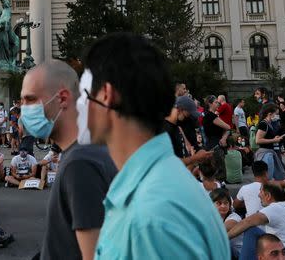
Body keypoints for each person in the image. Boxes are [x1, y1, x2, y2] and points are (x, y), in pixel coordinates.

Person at [81, 32, 229, 260]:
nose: (77, 106)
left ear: (106, 96)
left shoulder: (150, 216)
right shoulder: (158, 186)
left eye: (83, 94)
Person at [20, 59, 118, 259]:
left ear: (62, 98)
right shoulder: (88, 151)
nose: (24, 111)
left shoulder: (80, 164)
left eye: (30, 100)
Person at [227, 182, 285, 260]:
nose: (258, 195)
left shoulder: (275, 208)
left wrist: (224, 238)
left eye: (260, 192)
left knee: (250, 230)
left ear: (268, 196)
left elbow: (247, 222)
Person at [254, 103, 285, 181]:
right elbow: (258, 140)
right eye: (276, 114)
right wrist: (274, 140)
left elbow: (266, 137)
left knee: (278, 175)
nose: (277, 116)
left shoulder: (268, 124)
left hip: (270, 152)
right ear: (270, 114)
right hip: (266, 154)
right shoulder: (264, 124)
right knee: (268, 177)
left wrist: (274, 138)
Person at [210, 188, 244, 258]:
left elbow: (219, 231)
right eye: (219, 203)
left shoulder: (234, 217)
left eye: (226, 203)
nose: (223, 206)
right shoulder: (212, 217)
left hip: (242, 256)